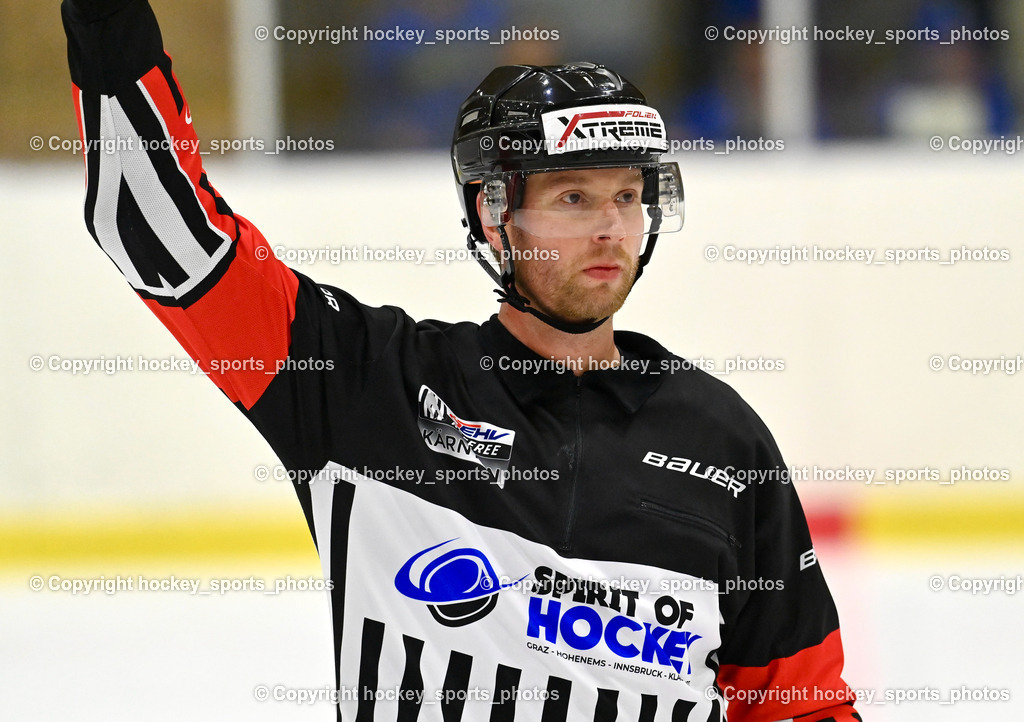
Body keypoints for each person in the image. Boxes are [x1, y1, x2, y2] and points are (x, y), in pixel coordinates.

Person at [61, 1, 861, 720]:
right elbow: (159, 232)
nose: (612, 228)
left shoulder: (722, 441)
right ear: (492, 213)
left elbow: (801, 705)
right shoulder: (369, 384)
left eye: (627, 196)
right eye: (573, 199)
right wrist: (106, 21)